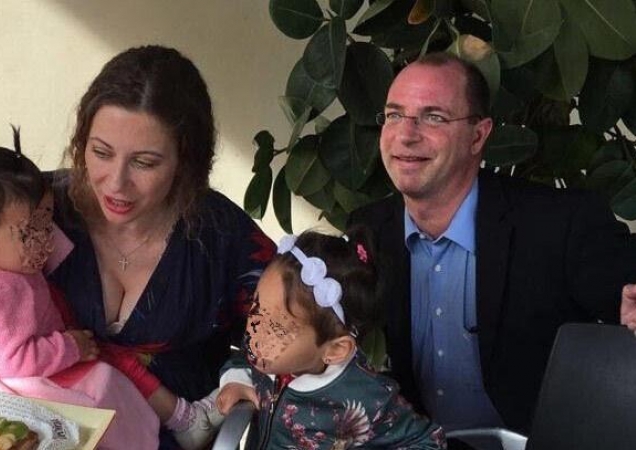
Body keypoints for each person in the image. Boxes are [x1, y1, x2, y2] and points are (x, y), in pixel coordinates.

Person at [348, 52, 636, 435]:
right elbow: (305, 322)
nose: (405, 134)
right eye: (395, 114)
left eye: (433, 117)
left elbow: (628, 297)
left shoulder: (559, 224)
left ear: (479, 135)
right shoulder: (370, 228)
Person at [47, 45, 276, 449]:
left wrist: (241, 376)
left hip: (171, 438)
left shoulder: (220, 235)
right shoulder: (40, 209)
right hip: (48, 430)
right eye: (100, 153)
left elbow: (293, 331)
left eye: (145, 163)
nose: (115, 183)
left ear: (186, 162)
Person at [0, 129, 161, 449]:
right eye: (28, 232)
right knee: (104, 384)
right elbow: (13, 361)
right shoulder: (3, 292)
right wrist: (71, 347)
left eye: (46, 221)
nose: (45, 239)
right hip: (11, 379)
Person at [216, 229, 446, 449]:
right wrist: (237, 379)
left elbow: (428, 441)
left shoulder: (369, 397)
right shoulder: (266, 353)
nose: (254, 329)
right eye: (256, 305)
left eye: (277, 330)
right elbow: (242, 359)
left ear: (335, 350)